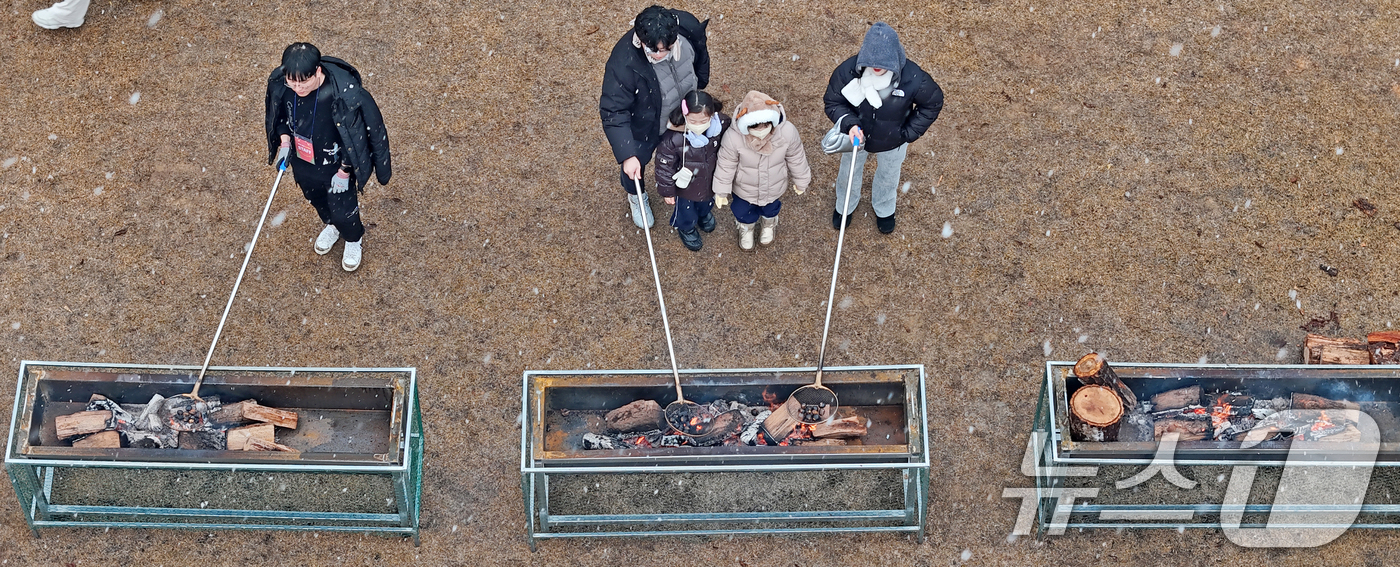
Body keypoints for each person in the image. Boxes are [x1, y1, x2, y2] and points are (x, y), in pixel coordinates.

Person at [264, 43, 391, 272]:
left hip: (336, 167)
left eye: (303, 82)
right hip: (303, 163)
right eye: (292, 83)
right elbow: (280, 118)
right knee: (315, 199)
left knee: (343, 208)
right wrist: (284, 141)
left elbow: (355, 137)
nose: (297, 88)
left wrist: (345, 170)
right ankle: (331, 225)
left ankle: (353, 238)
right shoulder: (283, 88)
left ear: (318, 72)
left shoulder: (342, 96)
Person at [823, 22, 944, 234]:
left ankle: (885, 208)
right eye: (871, 60)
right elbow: (833, 102)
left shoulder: (913, 78)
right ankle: (844, 207)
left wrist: (907, 133)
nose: (876, 66)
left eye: (883, 62)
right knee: (848, 172)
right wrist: (850, 124)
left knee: (889, 175)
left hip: (893, 141)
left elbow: (932, 103)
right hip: (855, 138)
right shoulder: (849, 71)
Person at [600, 5, 710, 229]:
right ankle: (636, 196)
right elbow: (614, 110)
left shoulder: (687, 28)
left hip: (684, 115)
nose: (660, 55)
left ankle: (683, 188)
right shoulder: (623, 63)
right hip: (646, 126)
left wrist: (700, 84)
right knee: (634, 167)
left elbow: (700, 58)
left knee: (687, 155)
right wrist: (627, 154)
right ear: (640, 40)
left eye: (667, 49)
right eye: (654, 50)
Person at [713, 90, 811, 251]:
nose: (761, 131)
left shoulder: (787, 132)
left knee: (771, 207)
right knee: (742, 210)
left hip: (774, 185)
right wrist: (721, 190)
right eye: (755, 127)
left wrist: (802, 180)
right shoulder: (733, 137)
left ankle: (769, 223)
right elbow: (726, 164)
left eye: (765, 125)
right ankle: (746, 227)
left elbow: (796, 157)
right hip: (744, 188)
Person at [653, 91, 730, 251]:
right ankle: (686, 228)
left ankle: (703, 215)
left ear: (712, 115)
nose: (698, 125)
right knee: (685, 211)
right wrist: (667, 191)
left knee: (707, 202)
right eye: (693, 121)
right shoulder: (672, 139)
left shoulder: (721, 125)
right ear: (684, 115)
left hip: (710, 179)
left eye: (703, 121)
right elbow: (664, 166)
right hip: (685, 188)